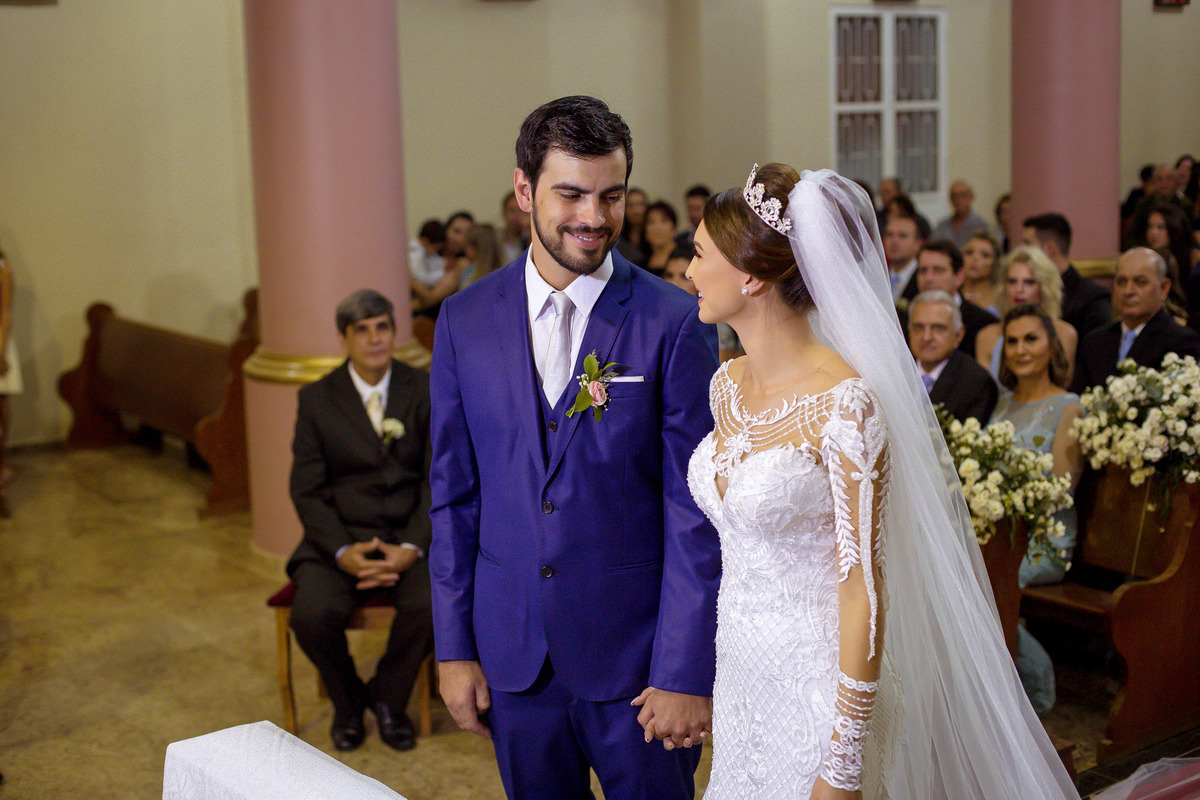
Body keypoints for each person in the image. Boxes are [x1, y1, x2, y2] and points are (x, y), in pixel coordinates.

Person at [684, 163, 1077, 798]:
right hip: (743, 677)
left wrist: (840, 762)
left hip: (822, 688)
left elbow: (862, 588)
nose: (688, 270)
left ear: (751, 274)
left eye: (699, 254)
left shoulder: (845, 405)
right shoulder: (725, 385)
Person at [429, 95, 720, 800]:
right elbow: (453, 496)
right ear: (524, 191)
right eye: (571, 194)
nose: (594, 218)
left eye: (611, 195)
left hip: (638, 664)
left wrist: (683, 669)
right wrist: (455, 648)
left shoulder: (674, 321)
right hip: (515, 660)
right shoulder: (464, 319)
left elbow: (696, 510)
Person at [287, 289, 434, 753]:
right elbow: (307, 489)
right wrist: (342, 551)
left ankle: (389, 700)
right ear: (344, 338)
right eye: (362, 330)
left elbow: (439, 479)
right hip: (338, 541)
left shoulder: (424, 388)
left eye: (383, 327)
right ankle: (349, 703)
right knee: (310, 616)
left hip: (406, 536)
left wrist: (411, 547)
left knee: (438, 603)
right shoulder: (316, 399)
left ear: (394, 331)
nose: (375, 339)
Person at [991, 305, 1084, 716]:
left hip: (1045, 538)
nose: (1020, 349)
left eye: (1031, 339)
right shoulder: (1001, 405)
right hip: (1001, 534)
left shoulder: (1069, 406)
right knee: (967, 571)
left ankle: (1035, 681)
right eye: (1012, 341)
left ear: (1051, 347)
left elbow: (1062, 490)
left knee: (985, 579)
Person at [1071, 247, 1200, 395]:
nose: (1128, 291)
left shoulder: (1181, 340)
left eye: (1140, 282)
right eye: (1121, 282)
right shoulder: (1095, 341)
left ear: (1163, 288)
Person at [975, 246, 1078, 383]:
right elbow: (985, 393)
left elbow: (1060, 392)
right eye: (1012, 282)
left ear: (1044, 287)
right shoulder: (986, 336)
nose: (1019, 290)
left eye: (1029, 282)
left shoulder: (1065, 333)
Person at [908, 290, 998, 423]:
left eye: (938, 328)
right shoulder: (893, 372)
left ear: (958, 335)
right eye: (918, 327)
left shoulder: (976, 383)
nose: (926, 337)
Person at [1022, 213, 1112, 342]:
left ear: (1050, 249)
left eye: (1027, 243)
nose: (1022, 250)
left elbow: (1096, 352)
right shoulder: (1026, 291)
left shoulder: (1092, 298)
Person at [910, 239, 997, 357]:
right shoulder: (903, 319)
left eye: (938, 270)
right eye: (923, 271)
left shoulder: (983, 323)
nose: (928, 278)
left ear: (959, 277)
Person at [0, 248, 21, 516]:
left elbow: (5, 313)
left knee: (1, 405)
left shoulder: (2, 268)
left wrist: (1, 351)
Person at [882, 213, 926, 309]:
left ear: (918, 243)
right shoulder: (877, 277)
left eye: (902, 236)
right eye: (889, 235)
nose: (894, 241)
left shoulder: (924, 278)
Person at [931, 180, 991, 248]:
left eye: (962, 195)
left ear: (971, 196)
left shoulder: (982, 226)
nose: (958, 200)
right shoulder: (942, 227)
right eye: (954, 196)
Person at [960, 230, 1001, 312]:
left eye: (985, 255)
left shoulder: (1001, 297)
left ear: (995, 263)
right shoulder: (951, 292)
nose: (975, 258)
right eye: (969, 252)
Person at [461, 222, 505, 288]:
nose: (464, 248)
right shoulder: (469, 268)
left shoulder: (497, 276)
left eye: (467, 245)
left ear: (476, 248)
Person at [643, 200, 679, 277]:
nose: (657, 227)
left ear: (674, 227)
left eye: (664, 221)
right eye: (651, 222)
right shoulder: (640, 266)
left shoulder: (687, 256)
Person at [616, 186, 650, 267]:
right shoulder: (618, 236)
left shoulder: (652, 234)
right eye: (631, 205)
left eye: (640, 204)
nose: (636, 210)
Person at [499, 190, 531, 264]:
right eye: (512, 211)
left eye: (521, 210)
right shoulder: (495, 239)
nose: (517, 215)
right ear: (504, 213)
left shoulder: (530, 239)